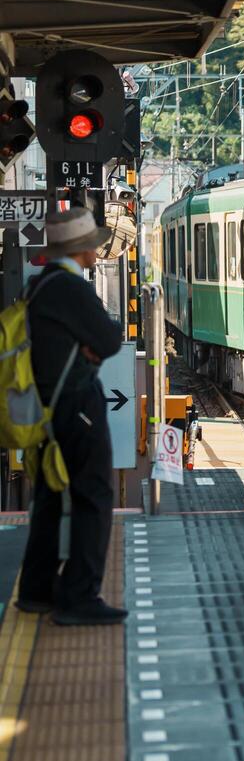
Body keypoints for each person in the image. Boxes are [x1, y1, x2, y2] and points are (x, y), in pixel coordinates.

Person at [16, 207, 127, 625]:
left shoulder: (38, 285)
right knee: (91, 495)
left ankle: (36, 591)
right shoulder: (71, 288)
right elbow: (109, 338)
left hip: (44, 407)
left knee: (47, 497)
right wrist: (89, 344)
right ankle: (80, 597)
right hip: (76, 407)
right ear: (83, 249)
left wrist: (86, 342)